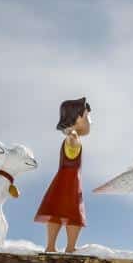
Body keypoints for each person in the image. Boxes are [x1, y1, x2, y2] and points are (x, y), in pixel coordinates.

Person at [34, 97, 91, 253]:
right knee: (74, 215)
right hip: (71, 181)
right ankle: (69, 248)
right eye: (86, 117)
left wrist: (71, 136)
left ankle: (51, 246)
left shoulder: (73, 138)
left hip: (61, 180)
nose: (89, 122)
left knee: (56, 212)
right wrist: (72, 135)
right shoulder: (74, 138)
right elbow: (72, 145)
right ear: (77, 119)